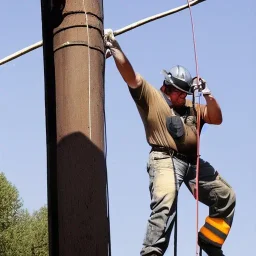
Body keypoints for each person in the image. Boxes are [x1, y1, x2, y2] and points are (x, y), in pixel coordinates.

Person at [104, 29, 236, 256]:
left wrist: (208, 95)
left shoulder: (192, 107)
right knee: (166, 199)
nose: (183, 97)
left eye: (186, 93)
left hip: (193, 164)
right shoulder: (153, 97)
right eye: (179, 93)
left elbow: (217, 118)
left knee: (226, 196)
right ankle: (152, 252)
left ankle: (210, 241)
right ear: (168, 86)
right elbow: (131, 77)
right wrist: (116, 49)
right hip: (165, 158)